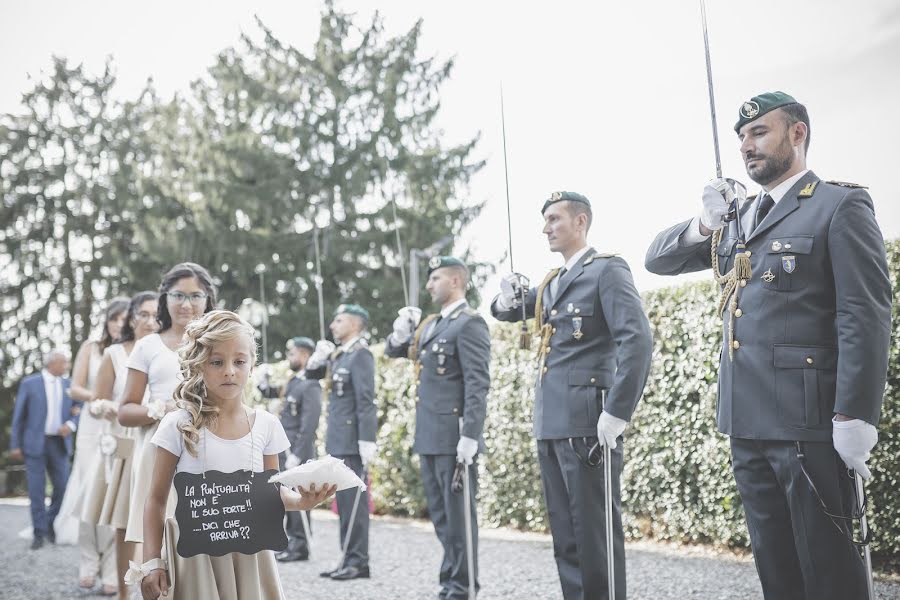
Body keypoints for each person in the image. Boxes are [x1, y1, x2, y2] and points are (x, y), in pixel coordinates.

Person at [644, 91, 892, 599]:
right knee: (777, 574)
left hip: (809, 424)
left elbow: (864, 314)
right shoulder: (737, 218)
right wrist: (704, 223)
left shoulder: (837, 205)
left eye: (759, 133)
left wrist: (855, 414)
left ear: (797, 133)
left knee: (831, 575)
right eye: (741, 138)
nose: (746, 146)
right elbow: (658, 260)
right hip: (746, 423)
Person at [492, 191, 653, 599]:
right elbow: (507, 311)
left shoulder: (606, 270)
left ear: (581, 221)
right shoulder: (552, 282)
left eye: (554, 219)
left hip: (588, 421)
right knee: (565, 537)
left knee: (593, 534)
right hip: (551, 421)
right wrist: (504, 295)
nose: (546, 227)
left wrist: (618, 412)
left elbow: (636, 340)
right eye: (545, 220)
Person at [136, 310, 336, 600]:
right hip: (196, 557)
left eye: (239, 361)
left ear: (252, 365)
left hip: (251, 555)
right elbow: (155, 499)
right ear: (199, 365)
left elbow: (272, 492)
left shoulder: (266, 425)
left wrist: (301, 501)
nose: (230, 370)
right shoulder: (179, 425)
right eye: (217, 362)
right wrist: (152, 561)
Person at [385, 257, 491, 600]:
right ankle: (451, 581)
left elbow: (478, 384)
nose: (429, 285)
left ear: (456, 281)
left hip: (453, 437)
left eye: (435, 278)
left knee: (459, 517)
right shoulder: (432, 325)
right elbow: (396, 350)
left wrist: (470, 436)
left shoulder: (469, 323)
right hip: (429, 435)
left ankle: (463, 585)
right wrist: (402, 329)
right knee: (443, 518)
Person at [119, 263, 217, 548]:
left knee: (206, 529)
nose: (187, 304)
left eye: (195, 296)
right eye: (178, 295)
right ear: (165, 298)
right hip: (158, 444)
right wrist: (161, 409)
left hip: (209, 440)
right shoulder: (147, 346)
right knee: (161, 530)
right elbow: (125, 411)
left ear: (207, 299)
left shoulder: (218, 342)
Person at [83, 291, 159, 600]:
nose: (150, 321)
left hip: (158, 441)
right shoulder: (115, 354)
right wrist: (110, 407)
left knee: (159, 515)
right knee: (126, 522)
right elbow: (95, 402)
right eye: (143, 314)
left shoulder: (165, 350)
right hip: (124, 443)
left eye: (156, 315)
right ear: (131, 317)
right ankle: (126, 593)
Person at [59, 297, 129, 594]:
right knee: (88, 493)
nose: (118, 325)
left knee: (115, 496)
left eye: (124, 319)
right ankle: (89, 561)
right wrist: (100, 400)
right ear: (107, 321)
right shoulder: (91, 347)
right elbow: (74, 387)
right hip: (92, 425)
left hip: (123, 427)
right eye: (114, 319)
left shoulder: (135, 351)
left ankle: (112, 567)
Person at [306, 304, 378, 581]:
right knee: (345, 505)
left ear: (356, 324)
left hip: (352, 441)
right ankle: (347, 557)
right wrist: (318, 357)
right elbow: (312, 375)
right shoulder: (339, 356)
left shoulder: (361, 356)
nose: (333, 326)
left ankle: (359, 562)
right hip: (338, 440)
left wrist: (366, 439)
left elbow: (366, 400)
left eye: (339, 320)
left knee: (355, 505)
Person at [257, 336, 322, 562]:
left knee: (299, 496)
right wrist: (262, 382)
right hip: (286, 449)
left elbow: (310, 423)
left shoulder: (311, 385)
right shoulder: (294, 382)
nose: (289, 358)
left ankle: (300, 545)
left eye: (292, 354)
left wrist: (298, 453)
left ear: (304, 355)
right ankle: (291, 542)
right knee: (284, 495)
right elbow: (273, 393)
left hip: (298, 451)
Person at [9, 349, 78, 550]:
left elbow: (79, 408)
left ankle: (48, 523)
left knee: (63, 487)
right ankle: (39, 534)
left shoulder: (69, 385)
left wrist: (71, 424)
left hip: (59, 443)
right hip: (34, 444)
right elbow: (19, 416)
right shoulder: (30, 383)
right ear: (52, 363)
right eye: (64, 363)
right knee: (36, 490)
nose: (66, 366)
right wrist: (15, 444)